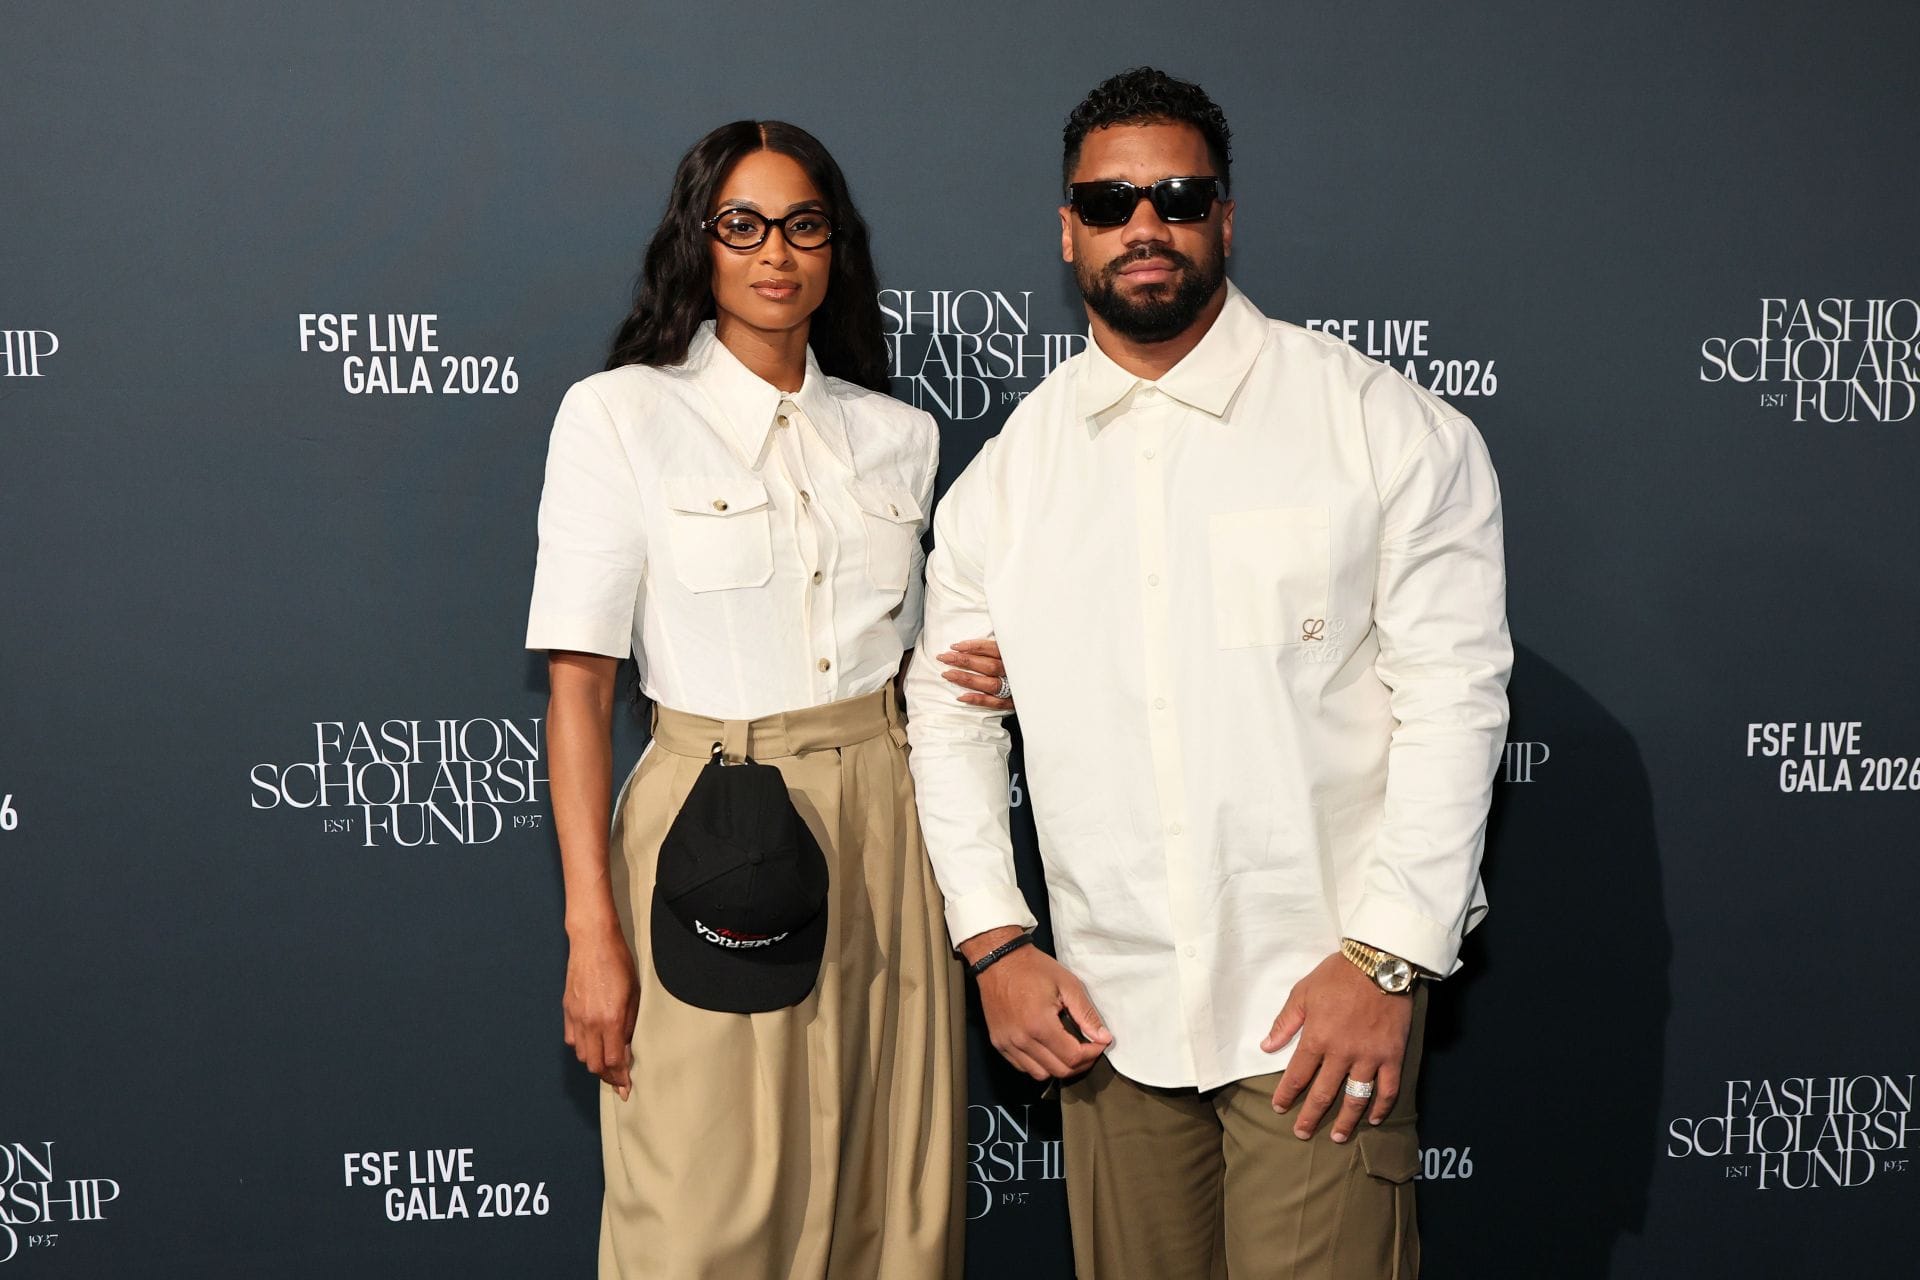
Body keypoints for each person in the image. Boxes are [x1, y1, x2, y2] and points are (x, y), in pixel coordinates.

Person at [906, 68, 1511, 1278]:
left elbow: (1455, 701)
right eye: (1113, 198)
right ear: (1066, 226)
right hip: (1109, 1017)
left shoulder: (1382, 429)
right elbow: (950, 711)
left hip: (1318, 1009)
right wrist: (994, 943)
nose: (1146, 224)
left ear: (1225, 218)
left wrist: (1388, 957)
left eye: (1178, 196)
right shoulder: (1008, 479)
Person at [525, 119, 1008, 1280]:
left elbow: (927, 643)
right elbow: (580, 692)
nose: (774, 252)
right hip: (715, 817)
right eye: (742, 225)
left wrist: (1008, 656)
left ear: (835, 246)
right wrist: (592, 928)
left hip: (889, 820)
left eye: (803, 225)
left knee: (891, 1190)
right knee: (707, 1199)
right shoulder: (620, 415)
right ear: (699, 242)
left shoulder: (900, 438)